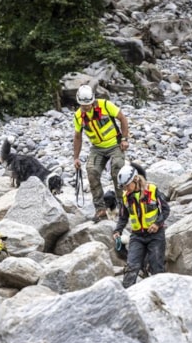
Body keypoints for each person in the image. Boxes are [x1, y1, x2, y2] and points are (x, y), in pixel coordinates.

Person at [72, 85, 131, 221]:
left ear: (93, 100)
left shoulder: (105, 105)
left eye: (88, 104)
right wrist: (76, 158)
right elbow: (77, 137)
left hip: (115, 145)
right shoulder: (78, 116)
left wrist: (124, 139)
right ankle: (100, 209)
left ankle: (123, 205)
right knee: (91, 171)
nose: (86, 107)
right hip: (97, 148)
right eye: (83, 105)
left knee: (117, 168)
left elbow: (123, 118)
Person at [113, 164, 170, 288]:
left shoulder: (152, 190)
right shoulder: (126, 197)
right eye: (123, 187)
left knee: (157, 268)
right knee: (131, 267)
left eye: (127, 186)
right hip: (137, 236)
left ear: (136, 179)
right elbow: (123, 217)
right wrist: (118, 230)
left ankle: (160, 292)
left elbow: (165, 210)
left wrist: (157, 224)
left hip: (155, 235)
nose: (126, 189)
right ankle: (127, 293)